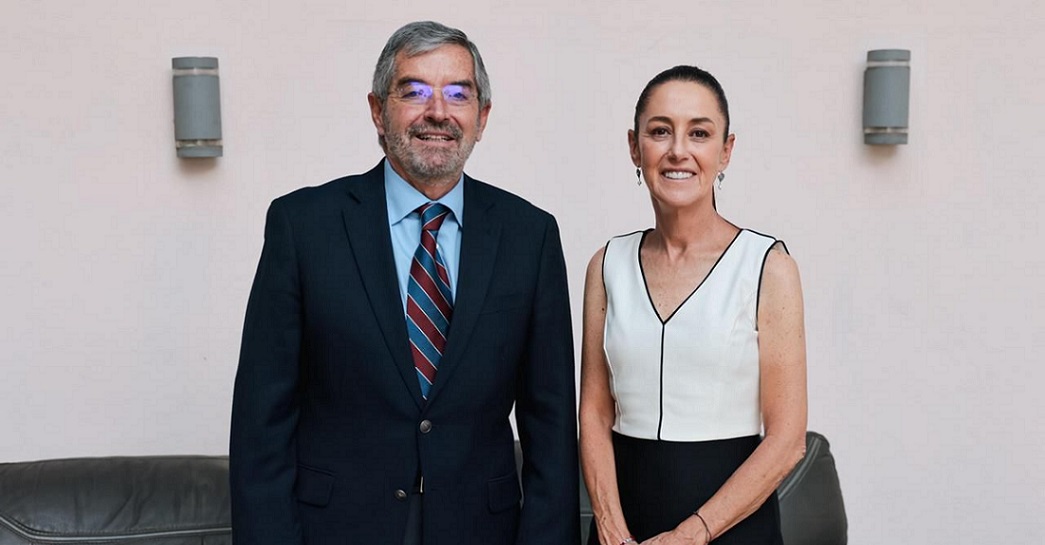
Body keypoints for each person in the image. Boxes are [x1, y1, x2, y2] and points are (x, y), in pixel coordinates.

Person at [230, 21, 579, 545]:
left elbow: (550, 427)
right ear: (378, 110)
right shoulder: (303, 226)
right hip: (337, 529)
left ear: (482, 117)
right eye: (414, 91)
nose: (438, 111)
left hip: (482, 530)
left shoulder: (530, 235)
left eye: (458, 94)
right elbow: (262, 423)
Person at [578, 65, 808, 545]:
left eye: (699, 133)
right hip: (623, 531)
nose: (678, 150)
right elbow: (595, 414)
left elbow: (787, 440)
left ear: (725, 151)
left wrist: (692, 534)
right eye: (660, 131)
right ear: (634, 147)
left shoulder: (768, 266)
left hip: (733, 528)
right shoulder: (606, 265)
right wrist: (610, 526)